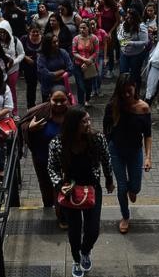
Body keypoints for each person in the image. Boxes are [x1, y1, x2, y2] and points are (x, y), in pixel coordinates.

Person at [48, 107, 114, 277]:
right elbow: (52, 168)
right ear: (73, 124)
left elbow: (106, 159)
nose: (88, 124)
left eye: (89, 120)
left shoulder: (97, 138)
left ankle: (85, 251)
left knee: (93, 230)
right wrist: (59, 185)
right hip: (70, 191)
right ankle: (77, 259)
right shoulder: (57, 143)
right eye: (84, 121)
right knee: (74, 230)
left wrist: (108, 179)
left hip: (92, 188)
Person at [102, 74, 151, 234]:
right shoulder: (112, 106)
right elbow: (106, 128)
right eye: (124, 92)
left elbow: (148, 134)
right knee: (122, 187)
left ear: (135, 88)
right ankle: (125, 216)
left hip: (135, 151)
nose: (127, 95)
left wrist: (148, 156)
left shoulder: (143, 108)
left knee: (135, 187)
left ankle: (133, 191)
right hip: (116, 151)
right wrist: (108, 144)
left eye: (129, 91)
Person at [20, 88, 70, 228]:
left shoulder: (73, 114)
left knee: (60, 187)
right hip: (42, 158)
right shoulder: (39, 111)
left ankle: (62, 216)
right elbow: (22, 124)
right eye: (55, 101)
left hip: (65, 161)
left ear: (68, 99)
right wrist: (29, 128)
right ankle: (49, 204)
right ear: (49, 99)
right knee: (46, 186)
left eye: (62, 101)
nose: (59, 104)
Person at [0, 20, 25, 115]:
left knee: (11, 91)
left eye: (4, 32)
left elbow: (22, 54)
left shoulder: (15, 40)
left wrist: (14, 62)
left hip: (13, 70)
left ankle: (14, 112)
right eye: (0, 32)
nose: (2, 34)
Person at [116, 8, 149, 94]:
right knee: (123, 74)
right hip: (124, 53)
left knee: (135, 75)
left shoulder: (141, 27)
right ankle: (124, 93)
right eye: (128, 18)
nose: (129, 20)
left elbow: (145, 42)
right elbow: (119, 35)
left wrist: (130, 43)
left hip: (136, 54)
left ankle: (136, 93)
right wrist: (122, 41)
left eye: (131, 18)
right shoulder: (123, 24)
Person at [37, 33, 75, 102]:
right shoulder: (41, 57)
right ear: (48, 44)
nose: (57, 44)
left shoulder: (63, 52)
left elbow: (71, 69)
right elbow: (45, 74)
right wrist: (62, 71)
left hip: (62, 87)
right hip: (47, 89)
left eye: (57, 41)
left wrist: (58, 78)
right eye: (54, 42)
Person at [20, 26, 43, 108]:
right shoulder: (24, 39)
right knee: (31, 87)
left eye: (37, 31)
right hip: (29, 66)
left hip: (42, 66)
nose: (35, 33)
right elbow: (19, 51)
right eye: (33, 31)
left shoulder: (43, 39)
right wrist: (26, 58)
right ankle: (30, 106)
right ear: (29, 32)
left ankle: (45, 105)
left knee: (44, 86)